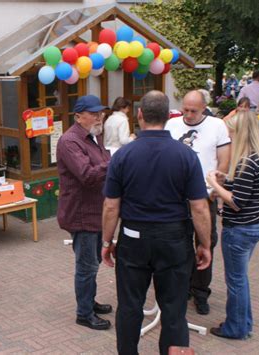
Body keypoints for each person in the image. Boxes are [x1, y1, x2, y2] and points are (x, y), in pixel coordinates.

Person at [102, 91, 211, 355]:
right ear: (168, 116)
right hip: (174, 240)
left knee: (129, 306)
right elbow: (199, 207)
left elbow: (110, 205)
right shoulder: (186, 156)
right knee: (174, 308)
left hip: (133, 239)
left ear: (139, 115)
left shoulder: (123, 156)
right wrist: (205, 244)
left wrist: (107, 241)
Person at [206, 111, 259, 339]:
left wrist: (214, 185)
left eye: (232, 132)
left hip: (240, 229)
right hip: (255, 225)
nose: (229, 136)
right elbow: (247, 190)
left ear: (241, 133)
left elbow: (236, 202)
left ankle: (235, 328)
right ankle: (244, 323)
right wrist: (226, 178)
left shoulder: (247, 162)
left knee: (235, 281)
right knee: (241, 278)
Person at [165, 90, 231, 315]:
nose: (189, 114)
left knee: (206, 242)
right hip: (176, 197)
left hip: (204, 195)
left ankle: (201, 290)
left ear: (204, 108)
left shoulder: (217, 125)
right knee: (180, 242)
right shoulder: (171, 126)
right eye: (186, 109)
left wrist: (215, 187)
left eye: (194, 110)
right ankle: (183, 287)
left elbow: (224, 160)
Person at [56, 95, 112, 331]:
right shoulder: (69, 141)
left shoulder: (94, 136)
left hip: (96, 210)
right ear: (78, 116)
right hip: (81, 214)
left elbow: (101, 163)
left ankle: (89, 301)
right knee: (87, 265)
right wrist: (114, 162)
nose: (99, 116)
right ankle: (84, 313)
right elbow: (87, 175)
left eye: (100, 112)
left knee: (94, 261)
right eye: (94, 112)